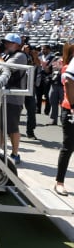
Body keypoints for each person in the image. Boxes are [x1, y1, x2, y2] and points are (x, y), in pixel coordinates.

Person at [0, 33, 28, 164]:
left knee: (12, 127)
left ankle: (15, 154)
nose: (5, 45)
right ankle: (0, 152)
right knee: (1, 126)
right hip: (4, 95)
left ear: (16, 44)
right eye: (5, 43)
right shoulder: (7, 55)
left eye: (8, 43)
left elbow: (5, 67)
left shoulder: (20, 56)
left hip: (14, 97)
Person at [54, 43, 74, 196]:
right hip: (70, 110)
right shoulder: (68, 67)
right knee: (68, 147)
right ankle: (59, 182)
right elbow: (68, 82)